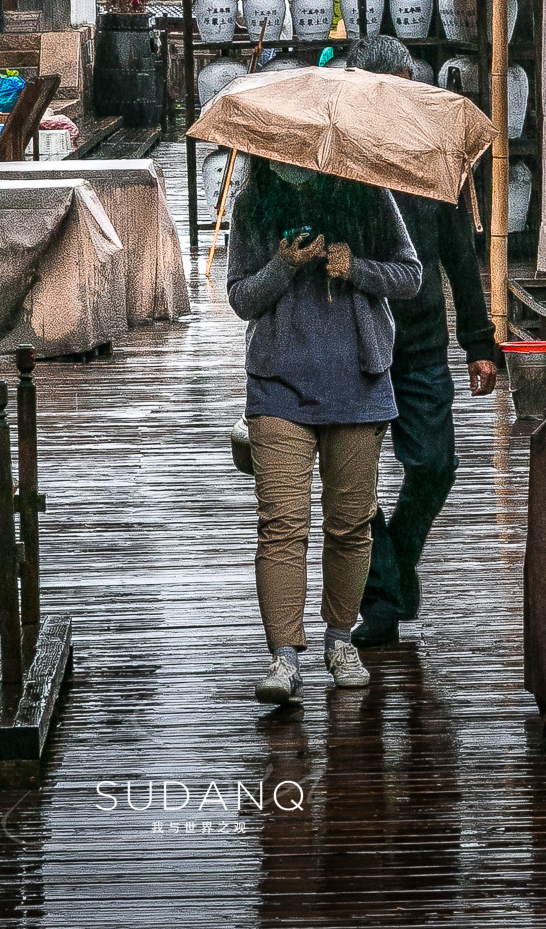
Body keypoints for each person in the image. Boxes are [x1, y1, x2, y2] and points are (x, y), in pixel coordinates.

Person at [226, 156, 422, 704]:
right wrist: (283, 265)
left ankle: (341, 640)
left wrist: (355, 266)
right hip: (278, 387)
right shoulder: (254, 204)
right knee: (281, 524)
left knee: (350, 525)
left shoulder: (368, 194)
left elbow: (411, 275)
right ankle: (284, 656)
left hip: (359, 382)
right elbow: (241, 297)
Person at [347, 34, 500, 647]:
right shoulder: (338, 153)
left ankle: (396, 566)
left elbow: (460, 253)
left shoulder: (433, 155)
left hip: (420, 339)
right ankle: (382, 599)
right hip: (352, 341)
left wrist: (480, 341)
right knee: (349, 482)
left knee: (436, 466)